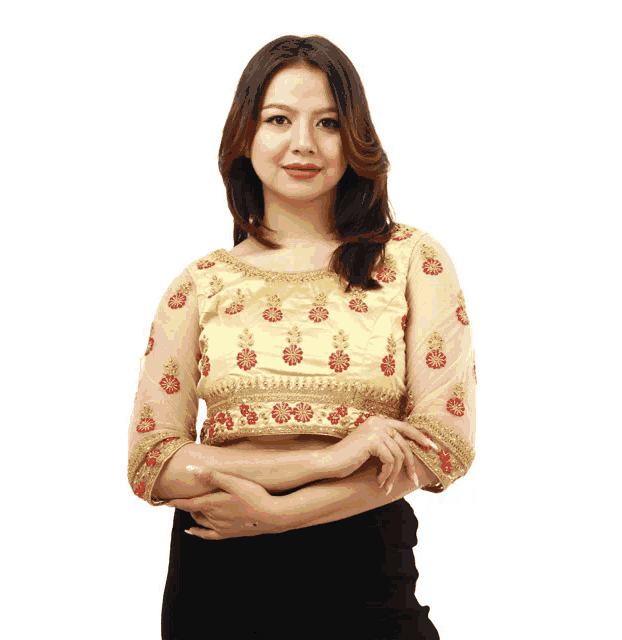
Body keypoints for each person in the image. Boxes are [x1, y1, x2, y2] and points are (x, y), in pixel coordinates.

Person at [127, 34, 476, 640]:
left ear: (356, 137)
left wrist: (281, 512)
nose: (303, 144)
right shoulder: (201, 283)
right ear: (246, 135)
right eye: (278, 119)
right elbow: (152, 462)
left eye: (329, 122)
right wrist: (325, 458)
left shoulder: (412, 259)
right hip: (217, 582)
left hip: (364, 577)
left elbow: (444, 443)